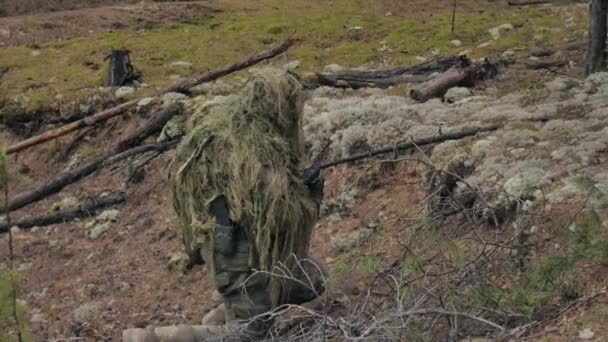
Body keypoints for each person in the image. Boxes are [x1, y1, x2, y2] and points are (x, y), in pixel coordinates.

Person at [123, 68, 325, 342]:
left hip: (243, 248)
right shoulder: (247, 152)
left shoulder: (236, 131)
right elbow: (279, 213)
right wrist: (308, 192)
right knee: (249, 334)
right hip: (236, 254)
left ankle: (230, 311)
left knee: (314, 278)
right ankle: (153, 338)